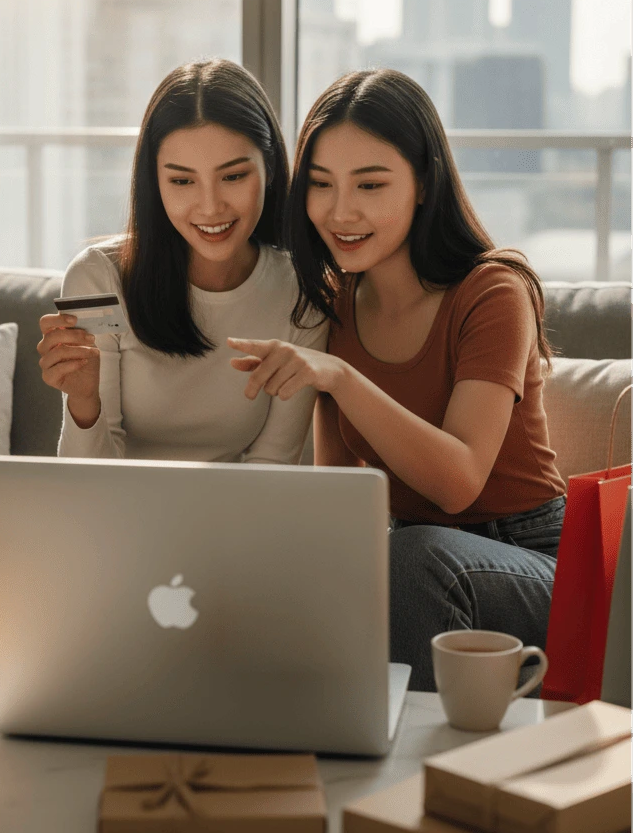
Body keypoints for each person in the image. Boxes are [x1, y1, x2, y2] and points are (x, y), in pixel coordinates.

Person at [227, 69, 566, 690]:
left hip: (535, 560)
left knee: (416, 559)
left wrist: (340, 378)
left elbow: (459, 480)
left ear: (423, 184)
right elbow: (338, 499)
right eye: (321, 185)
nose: (341, 211)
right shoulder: (335, 303)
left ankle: (409, 781)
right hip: (412, 562)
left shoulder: (493, 291)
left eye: (371, 184)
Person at [37, 59, 327, 464]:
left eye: (233, 177)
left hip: (241, 522)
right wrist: (83, 403)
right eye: (182, 181)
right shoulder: (97, 278)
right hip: (120, 517)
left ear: (271, 168)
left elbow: (273, 466)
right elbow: (87, 483)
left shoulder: (303, 294)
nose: (210, 207)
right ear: (154, 182)